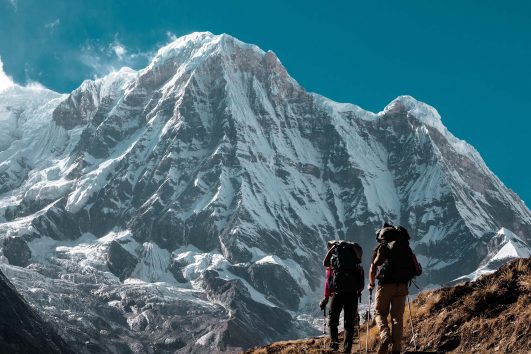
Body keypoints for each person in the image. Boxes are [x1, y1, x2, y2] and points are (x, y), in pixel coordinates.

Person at [368, 223, 412, 354]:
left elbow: (373, 267)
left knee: (380, 312)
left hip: (386, 285)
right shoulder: (405, 247)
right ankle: (396, 348)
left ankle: (385, 335)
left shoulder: (383, 247)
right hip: (402, 285)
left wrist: (371, 284)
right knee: (397, 317)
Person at [322, 240, 363, 353]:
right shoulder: (355, 261)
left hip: (337, 293)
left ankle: (334, 345)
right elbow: (361, 280)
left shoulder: (334, 262)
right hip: (352, 294)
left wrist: (326, 298)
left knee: (333, 320)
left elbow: (328, 280)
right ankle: (347, 350)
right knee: (349, 323)